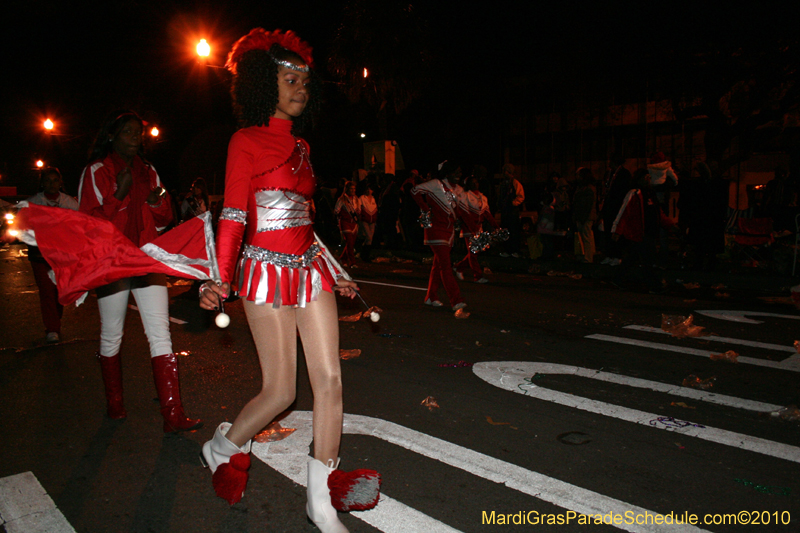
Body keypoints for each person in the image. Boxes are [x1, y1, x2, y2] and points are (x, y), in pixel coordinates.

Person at [197, 29, 373, 532]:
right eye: (289, 79)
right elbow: (233, 213)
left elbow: (304, 219)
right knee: (279, 392)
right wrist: (220, 277)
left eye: (304, 81)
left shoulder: (302, 144)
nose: (300, 88)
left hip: (309, 269)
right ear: (262, 84)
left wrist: (335, 269)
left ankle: (320, 502)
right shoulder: (244, 141)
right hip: (263, 270)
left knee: (330, 381)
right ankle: (223, 445)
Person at [78, 110, 201, 432]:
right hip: (112, 262)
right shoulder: (96, 171)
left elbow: (164, 220)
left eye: (138, 133)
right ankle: (115, 404)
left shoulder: (149, 171)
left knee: (160, 333)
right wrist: (118, 193)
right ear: (112, 136)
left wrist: (156, 201)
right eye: (128, 132)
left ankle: (173, 415)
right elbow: (89, 226)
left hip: (146, 259)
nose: (135, 138)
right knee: (112, 335)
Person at [26, 167, 79, 343]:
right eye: (47, 180)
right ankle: (52, 328)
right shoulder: (33, 202)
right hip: (40, 256)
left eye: (55, 180)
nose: (51, 184)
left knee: (59, 291)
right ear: (42, 183)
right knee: (47, 291)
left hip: (62, 256)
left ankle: (55, 318)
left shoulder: (70, 203)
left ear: (60, 183)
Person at [412, 160, 467, 311]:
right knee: (445, 266)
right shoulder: (437, 184)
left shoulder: (458, 190)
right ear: (448, 173)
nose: (459, 175)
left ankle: (431, 296)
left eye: (460, 172)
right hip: (435, 230)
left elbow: (460, 211)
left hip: (449, 232)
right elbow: (415, 191)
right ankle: (456, 300)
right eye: (456, 172)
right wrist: (426, 209)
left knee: (438, 265)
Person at [454, 176, 499, 282]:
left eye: (476, 182)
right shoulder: (465, 196)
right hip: (468, 229)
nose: (475, 184)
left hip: (479, 228)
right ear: (468, 184)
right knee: (473, 252)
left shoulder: (483, 197)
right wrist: (472, 228)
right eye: (472, 182)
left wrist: (497, 226)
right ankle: (477, 276)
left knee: (475, 252)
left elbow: (487, 214)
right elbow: (464, 215)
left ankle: (459, 267)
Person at [599, 153, 632, 266]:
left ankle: (617, 255)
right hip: (608, 206)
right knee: (608, 231)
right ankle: (609, 254)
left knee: (616, 232)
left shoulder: (624, 174)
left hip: (617, 207)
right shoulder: (609, 173)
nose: (609, 164)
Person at [497, 163, 525, 257]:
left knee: (514, 231)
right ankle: (507, 250)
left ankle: (515, 250)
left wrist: (513, 203)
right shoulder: (503, 184)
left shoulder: (515, 183)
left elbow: (521, 197)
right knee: (505, 231)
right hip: (505, 211)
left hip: (513, 211)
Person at [572, 167, 597, 263]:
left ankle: (588, 257)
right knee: (586, 236)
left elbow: (588, 204)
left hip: (585, 216)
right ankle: (588, 255)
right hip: (583, 215)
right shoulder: (584, 187)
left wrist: (582, 216)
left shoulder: (588, 188)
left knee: (586, 237)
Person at [335, 181, 360, 267]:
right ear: (347, 189)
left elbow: (358, 210)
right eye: (351, 189)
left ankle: (343, 259)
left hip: (354, 223)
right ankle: (352, 262)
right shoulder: (342, 199)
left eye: (354, 189)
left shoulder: (356, 199)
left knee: (351, 243)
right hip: (345, 222)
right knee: (349, 242)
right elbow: (336, 211)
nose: (353, 190)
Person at [357, 180, 377, 262]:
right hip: (365, 220)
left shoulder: (373, 199)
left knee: (370, 238)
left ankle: (364, 254)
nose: (369, 190)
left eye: (371, 189)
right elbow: (358, 208)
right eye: (368, 189)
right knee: (368, 237)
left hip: (372, 221)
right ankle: (365, 256)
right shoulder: (362, 198)